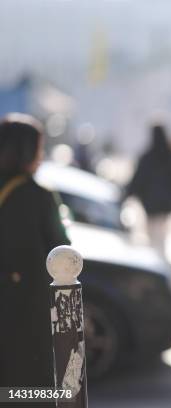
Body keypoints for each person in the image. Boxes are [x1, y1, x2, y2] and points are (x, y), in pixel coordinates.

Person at [0, 113, 70, 404]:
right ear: (28, 151)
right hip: (29, 309)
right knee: (30, 389)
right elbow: (63, 252)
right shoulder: (39, 196)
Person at [125, 124, 171, 257]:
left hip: (150, 206)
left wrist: (128, 194)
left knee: (153, 238)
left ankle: (156, 263)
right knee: (161, 238)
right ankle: (159, 262)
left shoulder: (147, 158)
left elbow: (137, 180)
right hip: (165, 207)